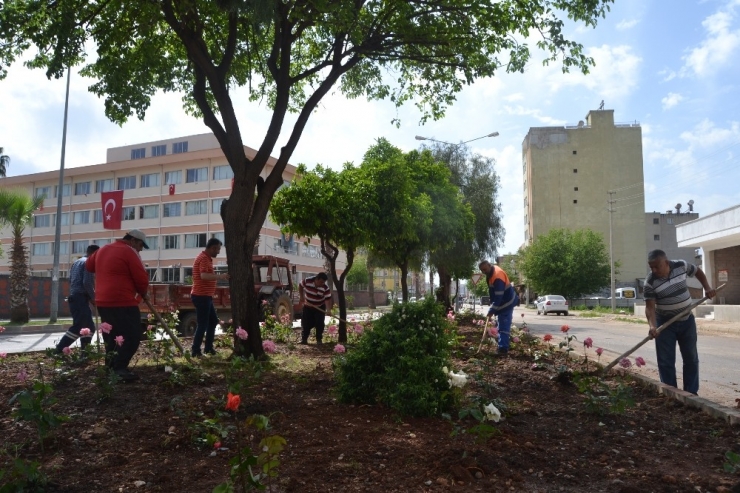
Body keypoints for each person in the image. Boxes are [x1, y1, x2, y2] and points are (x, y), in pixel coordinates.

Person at [644, 249, 716, 395]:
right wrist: (653, 326)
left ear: (666, 262)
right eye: (651, 267)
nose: (654, 270)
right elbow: (650, 308)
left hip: (687, 320)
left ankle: (691, 394)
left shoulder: (681, 266)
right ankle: (670, 394)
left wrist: (707, 288)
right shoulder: (650, 282)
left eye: (657, 266)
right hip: (665, 324)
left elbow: (698, 272)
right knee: (665, 361)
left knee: (691, 358)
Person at [86, 229, 150, 382]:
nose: (141, 249)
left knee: (112, 336)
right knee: (132, 336)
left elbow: (89, 266)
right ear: (133, 240)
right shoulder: (129, 251)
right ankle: (120, 369)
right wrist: (143, 292)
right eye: (141, 245)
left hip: (103, 301)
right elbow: (141, 277)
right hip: (122, 300)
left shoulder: (102, 249)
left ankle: (110, 368)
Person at [56, 244, 100, 353]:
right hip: (80, 298)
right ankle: (59, 350)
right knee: (79, 327)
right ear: (94, 253)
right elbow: (87, 282)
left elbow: (71, 280)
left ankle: (85, 353)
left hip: (76, 297)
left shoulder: (77, 262)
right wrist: (93, 297)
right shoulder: (88, 263)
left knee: (88, 327)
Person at [191, 237, 229, 357]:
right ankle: (195, 350)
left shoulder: (206, 258)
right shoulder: (204, 259)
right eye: (217, 249)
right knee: (202, 324)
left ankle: (208, 348)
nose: (218, 252)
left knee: (212, 321)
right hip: (201, 296)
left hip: (205, 296)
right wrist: (220, 277)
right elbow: (203, 276)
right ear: (212, 248)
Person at [479, 260, 519, 355]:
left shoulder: (497, 276)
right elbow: (494, 294)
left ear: (489, 266)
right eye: (482, 270)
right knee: (500, 325)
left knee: (503, 326)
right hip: (502, 302)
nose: (484, 272)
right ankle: (501, 346)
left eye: (485, 269)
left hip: (507, 303)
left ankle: (503, 349)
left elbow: (498, 296)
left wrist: (492, 310)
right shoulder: (491, 274)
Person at [298, 272, 333, 345]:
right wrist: (301, 296)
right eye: (321, 282)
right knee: (306, 323)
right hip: (308, 306)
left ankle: (319, 340)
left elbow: (327, 299)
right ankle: (304, 339)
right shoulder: (307, 281)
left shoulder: (325, 288)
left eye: (323, 282)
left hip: (319, 307)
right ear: (316, 279)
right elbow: (300, 286)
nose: (322, 283)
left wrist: (329, 310)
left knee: (320, 323)